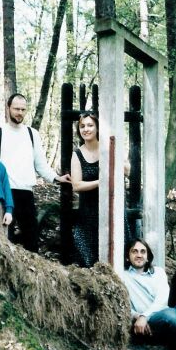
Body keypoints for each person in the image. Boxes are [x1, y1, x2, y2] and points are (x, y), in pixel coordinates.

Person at [0, 93, 71, 252]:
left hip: (26, 193)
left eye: (23, 109)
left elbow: (40, 164)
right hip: (4, 193)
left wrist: (56, 178)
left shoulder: (32, 134)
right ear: (8, 108)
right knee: (4, 239)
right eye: (16, 109)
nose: (19, 113)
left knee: (31, 240)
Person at [70, 113, 100, 267]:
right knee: (88, 259)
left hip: (111, 208)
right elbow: (76, 185)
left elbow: (127, 170)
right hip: (88, 211)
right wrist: (101, 182)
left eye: (90, 125)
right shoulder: (77, 154)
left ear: (97, 128)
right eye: (82, 126)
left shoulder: (108, 147)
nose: (86, 129)